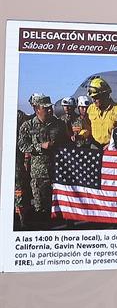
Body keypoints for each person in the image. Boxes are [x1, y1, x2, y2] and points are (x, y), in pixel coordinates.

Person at [17, 94, 71, 226]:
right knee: (41, 208)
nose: (49, 110)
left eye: (50, 108)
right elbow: (22, 146)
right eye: (45, 108)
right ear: (37, 109)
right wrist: (40, 146)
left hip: (58, 172)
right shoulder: (27, 125)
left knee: (59, 206)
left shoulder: (58, 124)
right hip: (39, 173)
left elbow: (67, 143)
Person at [86, 76, 117, 148]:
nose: (93, 100)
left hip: (112, 148)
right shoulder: (90, 109)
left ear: (105, 95)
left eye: (96, 97)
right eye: (92, 97)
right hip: (94, 147)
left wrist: (111, 144)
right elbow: (87, 127)